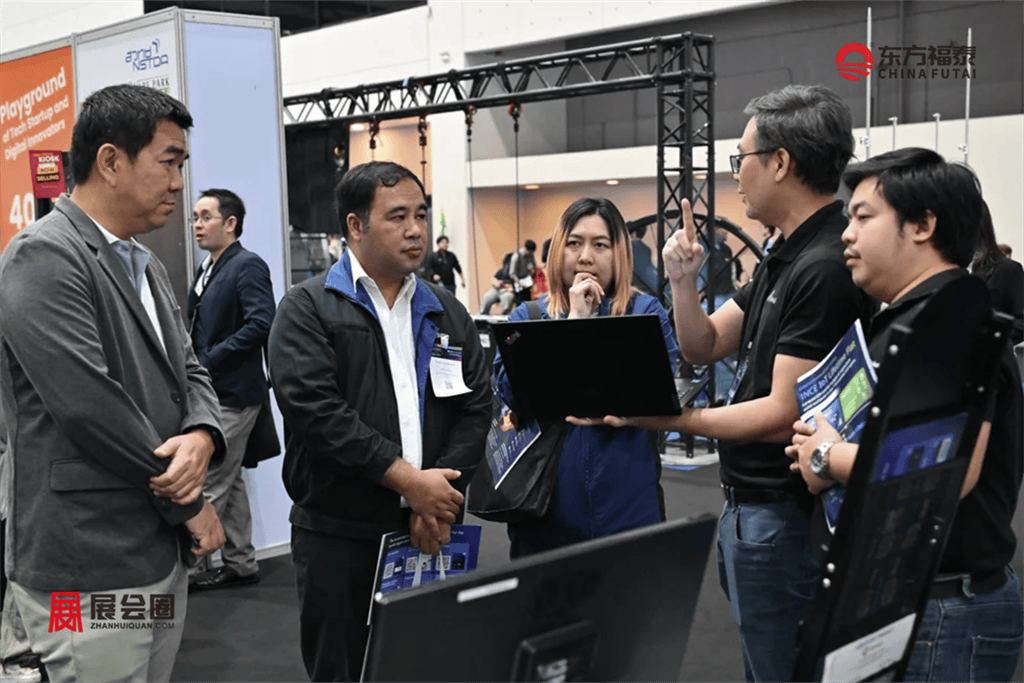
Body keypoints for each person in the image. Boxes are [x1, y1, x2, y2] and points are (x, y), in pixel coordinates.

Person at [584, 85, 876, 682]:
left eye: (740, 158)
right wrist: (682, 280)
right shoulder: (784, 254)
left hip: (785, 515)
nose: (735, 174)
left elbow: (780, 415)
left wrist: (659, 417)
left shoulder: (822, 265)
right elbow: (704, 343)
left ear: (780, 162)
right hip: (754, 511)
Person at [0, 84, 226, 683]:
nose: (179, 184)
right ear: (110, 160)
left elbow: (190, 369)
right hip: (87, 563)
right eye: (168, 162)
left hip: (155, 554)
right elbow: (90, 408)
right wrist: (190, 504)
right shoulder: (43, 256)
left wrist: (203, 433)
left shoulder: (143, 263)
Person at [788, 148, 1023, 683]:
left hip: (943, 610)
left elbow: (945, 469)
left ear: (922, 226)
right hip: (901, 602)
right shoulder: (910, 317)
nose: (847, 234)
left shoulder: (955, 321)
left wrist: (825, 456)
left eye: (863, 217)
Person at [268, 161, 491, 682]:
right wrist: (409, 482)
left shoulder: (445, 310)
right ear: (355, 225)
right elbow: (317, 414)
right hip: (339, 534)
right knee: (341, 668)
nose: (415, 230)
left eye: (421, 215)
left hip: (431, 527)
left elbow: (477, 406)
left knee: (424, 665)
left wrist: (437, 496)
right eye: (397, 216)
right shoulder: (307, 308)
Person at [495, 197, 679, 558]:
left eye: (600, 245)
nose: (585, 257)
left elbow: (658, 390)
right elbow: (512, 395)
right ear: (558, 250)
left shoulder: (644, 313)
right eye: (574, 243)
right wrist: (575, 322)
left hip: (628, 509)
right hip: (544, 512)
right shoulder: (528, 318)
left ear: (619, 252)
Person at [187, 188, 276, 591]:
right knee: (232, 479)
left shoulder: (247, 265)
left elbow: (262, 323)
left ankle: (186, 570)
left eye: (205, 217)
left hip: (236, 393)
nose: (197, 225)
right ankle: (241, 563)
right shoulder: (207, 268)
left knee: (210, 482)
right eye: (195, 217)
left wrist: (210, 358)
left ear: (230, 223)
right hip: (213, 391)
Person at [970, 201, 1024, 345]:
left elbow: (1021, 322)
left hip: (989, 354)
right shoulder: (942, 270)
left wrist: (987, 338)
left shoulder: (1008, 269)